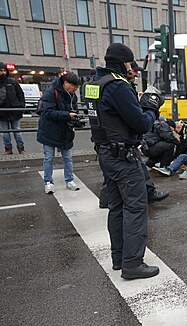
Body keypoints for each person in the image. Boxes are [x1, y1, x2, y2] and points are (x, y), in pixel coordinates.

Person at [85, 43, 164, 280]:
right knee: (135, 208)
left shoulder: (93, 84)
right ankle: (132, 264)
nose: (136, 71)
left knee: (117, 207)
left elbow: (107, 117)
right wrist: (151, 107)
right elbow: (141, 123)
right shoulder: (118, 86)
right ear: (123, 64)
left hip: (105, 153)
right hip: (122, 156)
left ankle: (119, 258)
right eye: (133, 66)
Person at [36, 72, 81, 194]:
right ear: (66, 83)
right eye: (74, 87)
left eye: (77, 88)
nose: (75, 90)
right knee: (49, 157)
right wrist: (67, 115)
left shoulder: (72, 95)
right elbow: (49, 112)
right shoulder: (51, 92)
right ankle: (48, 182)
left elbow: (74, 108)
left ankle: (70, 180)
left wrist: (74, 117)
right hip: (50, 130)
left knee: (67, 157)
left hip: (65, 130)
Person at [0, 62, 26, 155]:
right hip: (2, 112)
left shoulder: (13, 82)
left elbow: (20, 94)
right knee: (5, 132)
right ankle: (8, 149)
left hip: (15, 111)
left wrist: (22, 107)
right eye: (1, 71)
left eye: (4, 71)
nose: (3, 73)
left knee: (17, 130)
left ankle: (21, 148)